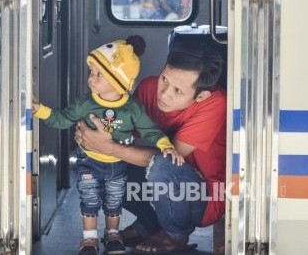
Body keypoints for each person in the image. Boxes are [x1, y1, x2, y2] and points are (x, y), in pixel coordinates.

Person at [33, 35, 184, 255]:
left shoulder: (132, 108)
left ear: (118, 80)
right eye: (91, 73)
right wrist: (40, 110)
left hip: (117, 164)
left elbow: (150, 131)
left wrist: (166, 146)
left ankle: (112, 233)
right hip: (89, 162)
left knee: (114, 200)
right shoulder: (86, 103)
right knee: (89, 198)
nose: (91, 79)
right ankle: (90, 238)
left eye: (99, 74)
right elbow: (63, 119)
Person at [75, 41, 226, 254]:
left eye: (178, 91)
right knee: (105, 168)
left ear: (200, 96)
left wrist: (108, 147)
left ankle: (175, 234)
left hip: (204, 197)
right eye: (164, 79)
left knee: (162, 164)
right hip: (165, 185)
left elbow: (173, 158)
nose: (164, 94)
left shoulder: (215, 103)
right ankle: (149, 224)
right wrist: (90, 132)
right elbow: (121, 133)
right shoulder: (148, 88)